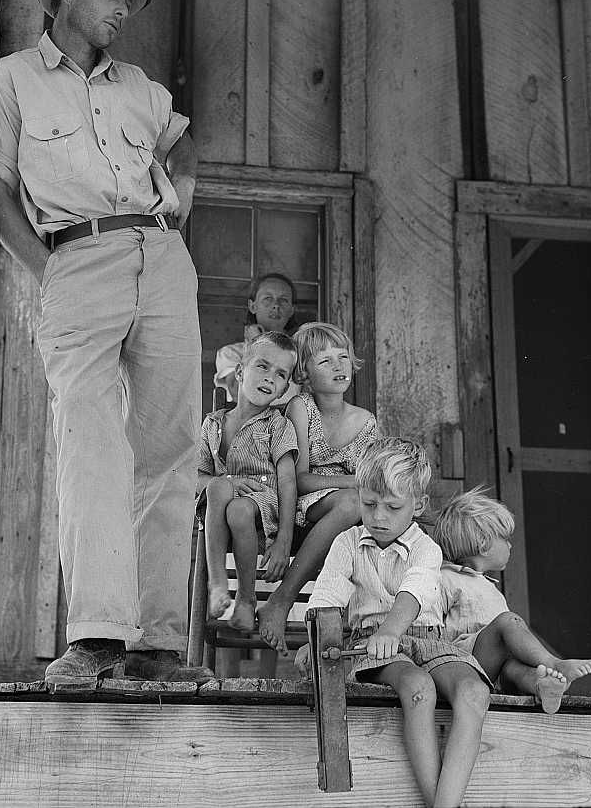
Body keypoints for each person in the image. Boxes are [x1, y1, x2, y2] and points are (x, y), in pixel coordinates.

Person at [0, 0, 212, 688]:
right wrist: (50, 271)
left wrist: (177, 204)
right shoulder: (13, 78)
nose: (123, 7)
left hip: (161, 260)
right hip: (75, 258)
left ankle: (156, 644)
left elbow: (182, 148)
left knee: (169, 447)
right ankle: (96, 636)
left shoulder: (141, 87)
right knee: (89, 442)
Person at [296, 438, 492, 808]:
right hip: (374, 645)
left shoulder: (426, 549)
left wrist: (393, 629)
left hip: (429, 640)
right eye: (369, 504)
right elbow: (327, 597)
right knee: (418, 688)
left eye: (393, 506)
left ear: (418, 505)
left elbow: (415, 591)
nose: (379, 516)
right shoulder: (347, 543)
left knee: (473, 692)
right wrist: (315, 637)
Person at [258, 321, 376, 655]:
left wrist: (360, 487)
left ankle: (366, 633)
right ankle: (281, 601)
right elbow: (300, 477)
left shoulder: (366, 421)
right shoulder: (302, 408)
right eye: (325, 361)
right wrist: (353, 483)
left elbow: (372, 479)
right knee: (353, 503)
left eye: (343, 357)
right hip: (301, 504)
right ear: (305, 374)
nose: (338, 366)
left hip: (345, 514)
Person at [433, 487, 591, 713]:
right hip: (462, 667)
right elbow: (430, 627)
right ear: (484, 544)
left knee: (514, 668)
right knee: (508, 622)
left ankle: (543, 687)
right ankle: (553, 663)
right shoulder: (446, 579)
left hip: (493, 672)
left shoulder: (490, 588)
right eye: (505, 538)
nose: (510, 545)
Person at [197, 332, 299, 631]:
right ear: (240, 372)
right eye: (262, 366)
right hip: (219, 510)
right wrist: (229, 482)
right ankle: (219, 585)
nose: (270, 378)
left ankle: (245, 597)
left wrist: (284, 540)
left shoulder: (278, 426)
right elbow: (195, 476)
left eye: (280, 374)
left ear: (282, 391)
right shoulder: (213, 424)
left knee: (237, 505)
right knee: (219, 488)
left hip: (264, 506)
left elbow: (288, 483)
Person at [214, 272, 300, 405]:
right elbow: (237, 391)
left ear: (291, 310)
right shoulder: (230, 353)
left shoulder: (300, 354)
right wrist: (257, 344)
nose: (276, 305)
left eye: (283, 300)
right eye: (267, 298)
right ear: (252, 306)